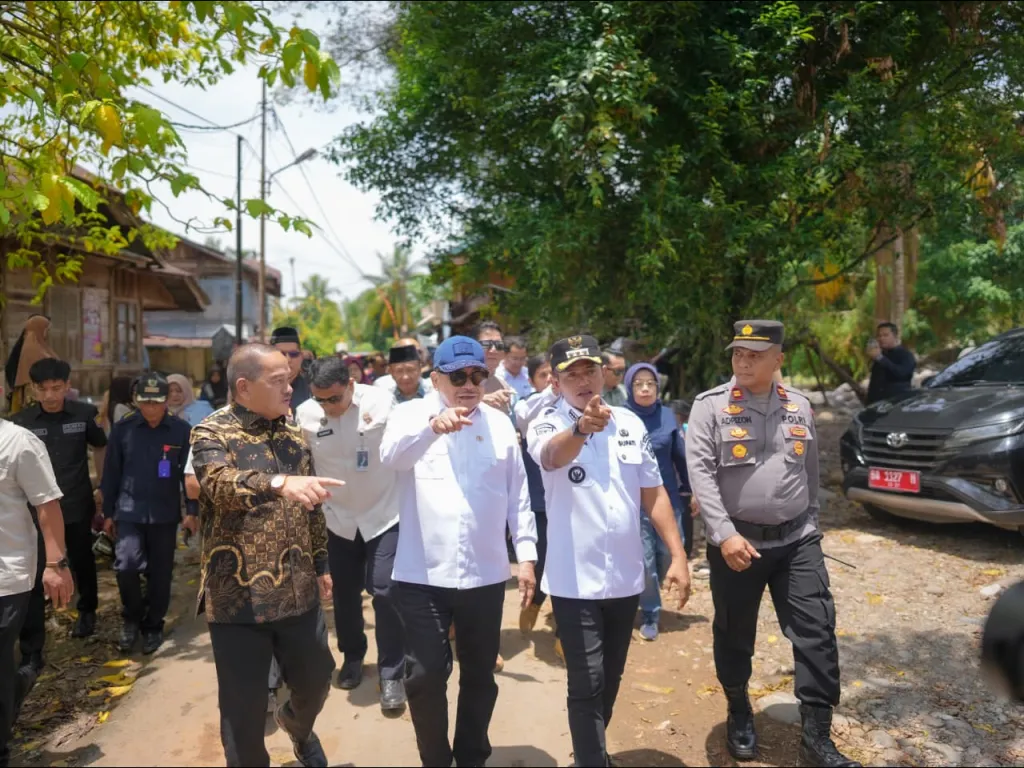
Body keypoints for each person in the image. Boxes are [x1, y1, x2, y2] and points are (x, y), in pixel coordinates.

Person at [686, 320, 859, 768]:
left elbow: (811, 474)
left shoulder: (799, 406)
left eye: (754, 354)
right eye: (737, 353)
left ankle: (816, 737)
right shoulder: (710, 406)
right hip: (736, 544)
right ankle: (739, 708)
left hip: (797, 540)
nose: (743, 361)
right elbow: (701, 474)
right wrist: (723, 535)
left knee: (817, 631)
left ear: (778, 360)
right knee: (734, 632)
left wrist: (812, 525)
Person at [526, 335, 690, 768]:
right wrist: (580, 429)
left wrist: (678, 555)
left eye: (589, 370)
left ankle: (590, 754)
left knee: (611, 676)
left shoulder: (629, 423)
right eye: (571, 373)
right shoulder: (545, 421)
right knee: (587, 679)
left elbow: (652, 494)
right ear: (557, 381)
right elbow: (551, 455)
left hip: (624, 577)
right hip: (572, 579)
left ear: (604, 373)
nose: (582, 380)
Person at [380, 335, 537, 768]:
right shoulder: (410, 415)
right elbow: (391, 457)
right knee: (426, 675)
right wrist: (432, 428)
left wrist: (525, 556)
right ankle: (435, 759)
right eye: (458, 376)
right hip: (421, 576)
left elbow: (517, 496)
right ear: (436, 379)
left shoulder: (500, 425)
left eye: (477, 375)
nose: (469, 384)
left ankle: (472, 757)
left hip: (484, 576)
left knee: (480, 677)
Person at [190, 344, 338, 768]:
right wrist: (277, 483)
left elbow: (312, 506)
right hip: (238, 599)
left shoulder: (295, 436)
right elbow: (217, 484)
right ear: (244, 386)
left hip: (298, 589)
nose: (290, 387)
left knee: (316, 681)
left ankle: (298, 725)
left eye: (290, 378)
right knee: (243, 714)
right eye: (278, 381)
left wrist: (323, 564)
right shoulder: (210, 432)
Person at [295, 358, 407, 711]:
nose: (328, 407)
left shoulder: (381, 403)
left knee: (386, 590)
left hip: (384, 513)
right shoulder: (305, 415)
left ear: (351, 384)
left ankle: (392, 672)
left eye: (335, 399)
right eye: (320, 400)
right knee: (343, 594)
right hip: (337, 518)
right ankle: (353, 657)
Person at [11, 359, 107, 644]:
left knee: (81, 559)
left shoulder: (85, 414)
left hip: (76, 501)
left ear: (67, 386)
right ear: (33, 390)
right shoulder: (22, 422)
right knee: (38, 561)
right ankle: (37, 619)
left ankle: (87, 610)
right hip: (35, 508)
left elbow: (100, 446)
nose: (50, 396)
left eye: (56, 388)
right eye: (43, 389)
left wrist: (100, 485)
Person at [0, 397, 72, 768]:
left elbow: (47, 506)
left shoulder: (19, 442)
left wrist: (56, 564)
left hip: (7, 576)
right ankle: (18, 683)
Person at [101, 372, 193, 656]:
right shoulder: (123, 429)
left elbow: (189, 475)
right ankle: (131, 619)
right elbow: (111, 473)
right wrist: (107, 513)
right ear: (136, 401)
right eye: (145, 402)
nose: (151, 409)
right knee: (126, 565)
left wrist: (192, 511)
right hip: (129, 511)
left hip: (165, 515)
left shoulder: (180, 430)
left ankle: (153, 625)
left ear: (166, 401)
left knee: (161, 574)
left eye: (156, 402)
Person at [622, 363, 691, 642]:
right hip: (634, 500)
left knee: (668, 553)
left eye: (650, 383)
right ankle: (650, 610)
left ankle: (655, 589)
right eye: (638, 383)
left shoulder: (666, 417)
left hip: (668, 498)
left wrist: (690, 490)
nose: (645, 388)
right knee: (646, 559)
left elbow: (680, 456)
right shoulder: (622, 417)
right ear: (630, 388)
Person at [514, 355, 557, 646]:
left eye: (556, 374)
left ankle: (565, 636)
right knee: (541, 560)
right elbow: (526, 415)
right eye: (545, 375)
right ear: (532, 381)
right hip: (539, 500)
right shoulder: (526, 406)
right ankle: (535, 600)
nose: (551, 380)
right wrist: (556, 388)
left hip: (573, 501)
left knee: (569, 564)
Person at [4, 315, 57, 414]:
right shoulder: (33, 350)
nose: (47, 333)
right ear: (39, 329)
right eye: (46, 329)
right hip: (35, 398)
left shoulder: (41, 346)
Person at [865, 321, 916, 405]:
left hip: (896, 403)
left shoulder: (905, 355)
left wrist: (881, 359)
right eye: (879, 336)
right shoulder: (881, 355)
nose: (881, 338)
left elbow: (903, 374)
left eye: (885, 335)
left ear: (895, 336)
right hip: (876, 404)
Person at [475, 321, 516, 413]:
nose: (493, 350)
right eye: (486, 344)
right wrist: (481, 401)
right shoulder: (455, 380)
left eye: (499, 345)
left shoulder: (503, 386)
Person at [270, 326, 312, 412]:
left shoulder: (313, 388)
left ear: (301, 356)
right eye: (281, 354)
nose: (288, 360)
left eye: (293, 354)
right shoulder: (258, 388)